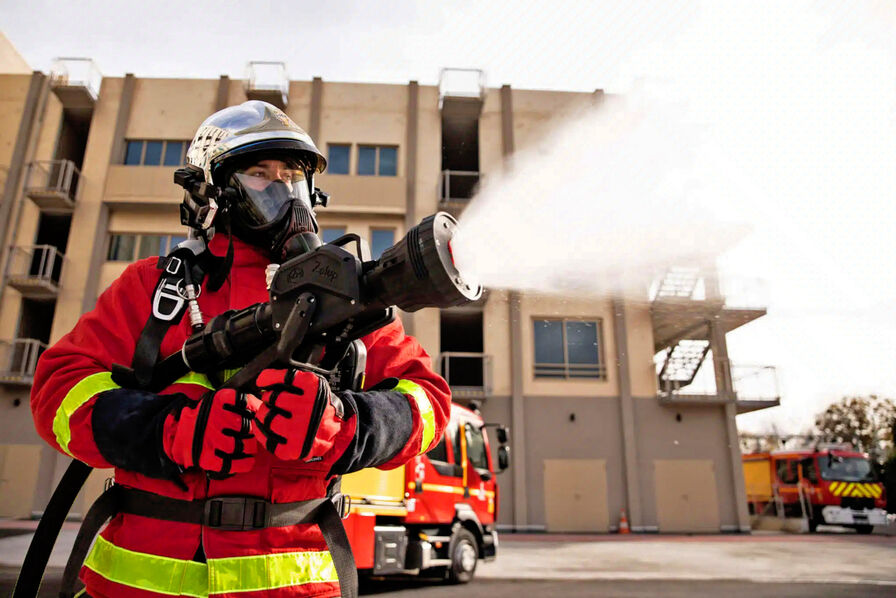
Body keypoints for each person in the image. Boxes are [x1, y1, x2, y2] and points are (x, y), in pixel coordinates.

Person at [30, 100, 451, 598]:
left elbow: (428, 403)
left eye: (293, 176)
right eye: (260, 174)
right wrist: (167, 431)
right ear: (213, 192)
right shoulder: (152, 288)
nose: (284, 191)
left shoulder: (345, 297)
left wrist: (347, 426)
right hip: (137, 584)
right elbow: (57, 392)